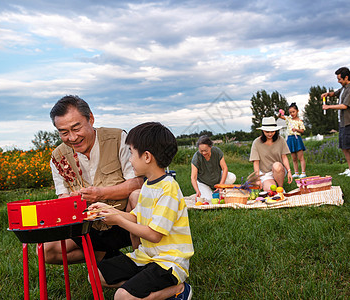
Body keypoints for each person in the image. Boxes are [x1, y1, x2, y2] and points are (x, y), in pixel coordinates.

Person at [88, 122, 194, 300]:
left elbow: (154, 235)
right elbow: (135, 217)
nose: (129, 159)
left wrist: (118, 221)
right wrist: (107, 210)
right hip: (146, 257)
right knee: (95, 276)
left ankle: (179, 289)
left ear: (146, 157)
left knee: (121, 297)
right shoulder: (148, 185)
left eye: (131, 152)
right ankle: (141, 287)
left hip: (168, 262)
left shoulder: (168, 189)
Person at [44, 95, 144, 265]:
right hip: (88, 227)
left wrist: (101, 194)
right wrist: (70, 202)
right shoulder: (58, 157)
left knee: (137, 194)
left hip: (124, 221)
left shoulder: (117, 138)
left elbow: (138, 182)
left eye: (76, 128)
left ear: (90, 119)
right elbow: (63, 197)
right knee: (48, 252)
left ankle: (143, 260)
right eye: (64, 132)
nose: (72, 138)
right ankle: (107, 257)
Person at [321, 67, 350, 177]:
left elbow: (344, 105)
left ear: (346, 77)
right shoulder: (344, 88)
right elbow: (336, 93)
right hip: (342, 122)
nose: (338, 81)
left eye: (339, 79)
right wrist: (327, 94)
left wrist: (328, 107)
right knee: (344, 147)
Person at [249, 116, 293, 191]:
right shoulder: (256, 142)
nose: (270, 134)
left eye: (272, 131)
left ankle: (281, 188)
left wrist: (289, 171)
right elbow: (256, 163)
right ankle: (274, 187)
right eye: (267, 132)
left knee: (277, 166)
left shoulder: (280, 140)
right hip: (265, 172)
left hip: (279, 170)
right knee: (271, 191)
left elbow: (284, 157)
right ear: (263, 131)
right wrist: (258, 178)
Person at [190, 135, 236, 201]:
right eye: (201, 151)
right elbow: (193, 177)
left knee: (232, 177)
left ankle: (219, 190)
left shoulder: (217, 151)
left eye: (205, 150)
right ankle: (208, 191)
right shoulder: (196, 157)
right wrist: (197, 191)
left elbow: (224, 168)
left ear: (210, 147)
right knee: (208, 199)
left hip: (217, 178)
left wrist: (221, 185)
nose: (203, 153)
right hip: (203, 182)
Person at [277, 103, 307, 178]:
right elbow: (279, 116)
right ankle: (296, 172)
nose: (292, 114)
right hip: (290, 139)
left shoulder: (300, 121)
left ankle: (303, 172)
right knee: (294, 158)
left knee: (301, 157)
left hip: (297, 139)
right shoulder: (288, 119)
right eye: (290, 112)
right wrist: (280, 112)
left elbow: (302, 131)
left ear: (297, 111)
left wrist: (296, 129)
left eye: (293, 112)